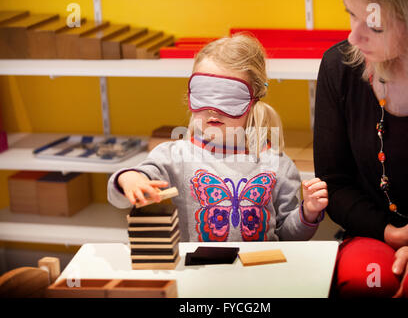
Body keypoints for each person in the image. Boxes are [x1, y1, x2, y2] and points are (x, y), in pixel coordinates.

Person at [108, 34, 328, 242]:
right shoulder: (172, 157)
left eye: (228, 98)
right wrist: (129, 179)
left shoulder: (278, 165)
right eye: (204, 95)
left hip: (256, 273)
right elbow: (119, 196)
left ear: (253, 100)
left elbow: (287, 237)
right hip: (196, 274)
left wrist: (307, 213)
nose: (213, 110)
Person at [314, 0, 408, 297]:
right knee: (369, 284)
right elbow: (334, 184)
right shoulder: (340, 67)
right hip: (372, 230)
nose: (354, 37)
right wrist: (394, 234)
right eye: (352, 15)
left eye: (375, 24)